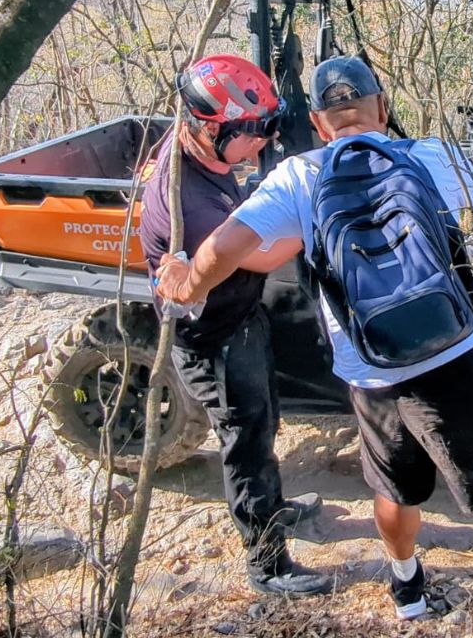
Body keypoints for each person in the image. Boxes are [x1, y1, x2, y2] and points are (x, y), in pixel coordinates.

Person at [155, 56, 473, 638]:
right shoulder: (426, 157)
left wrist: (185, 283)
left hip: (369, 369)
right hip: (450, 353)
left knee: (393, 486)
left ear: (318, 124)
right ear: (384, 110)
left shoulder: (296, 177)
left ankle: (406, 585)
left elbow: (223, 246)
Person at [138, 54, 333, 596]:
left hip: (241, 316)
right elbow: (267, 253)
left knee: (265, 417)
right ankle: (267, 563)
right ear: (205, 128)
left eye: (268, 127)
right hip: (214, 338)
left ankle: (273, 507)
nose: (263, 142)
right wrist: (319, 214)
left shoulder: (199, 155)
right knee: (245, 440)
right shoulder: (190, 201)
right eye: (251, 132)